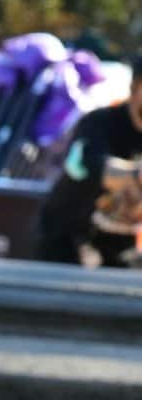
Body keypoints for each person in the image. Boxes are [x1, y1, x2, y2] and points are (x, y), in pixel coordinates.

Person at [36, 56, 142, 265]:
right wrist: (136, 175)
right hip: (68, 246)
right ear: (134, 88)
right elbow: (94, 167)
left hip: (121, 247)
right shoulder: (98, 124)